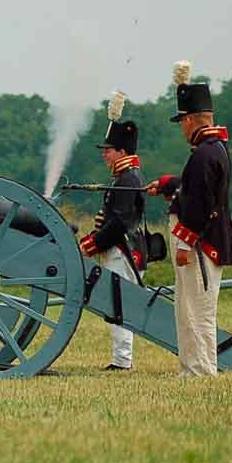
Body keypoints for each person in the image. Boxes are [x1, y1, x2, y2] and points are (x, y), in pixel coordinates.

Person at [146, 61, 232, 377]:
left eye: (182, 122)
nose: (181, 128)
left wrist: (185, 243)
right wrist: (170, 184)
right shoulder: (214, 150)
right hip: (207, 239)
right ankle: (194, 368)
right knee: (191, 310)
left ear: (189, 120)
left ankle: (200, 371)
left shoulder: (203, 154)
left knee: (196, 310)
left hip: (200, 243)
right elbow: (196, 189)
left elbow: (199, 205)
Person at [78, 104, 147, 371]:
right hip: (117, 249)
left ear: (122, 151)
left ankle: (122, 361)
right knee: (117, 304)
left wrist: (92, 243)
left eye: (108, 150)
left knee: (120, 305)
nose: (104, 155)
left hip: (122, 250)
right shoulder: (124, 177)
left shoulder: (128, 178)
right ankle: (121, 359)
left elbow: (119, 223)